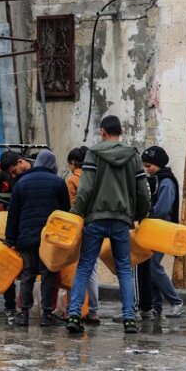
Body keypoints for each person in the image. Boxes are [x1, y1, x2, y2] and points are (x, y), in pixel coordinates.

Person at [66, 115, 150, 334]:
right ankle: (129, 319)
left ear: (102, 131)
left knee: (85, 266)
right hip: (122, 220)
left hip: (95, 219)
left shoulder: (94, 154)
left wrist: (77, 213)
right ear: (120, 131)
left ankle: (74, 314)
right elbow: (143, 191)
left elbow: (84, 190)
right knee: (124, 269)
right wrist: (141, 215)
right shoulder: (133, 156)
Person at [5, 150, 70, 327]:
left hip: (26, 238)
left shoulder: (21, 183)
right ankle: (46, 315)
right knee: (49, 275)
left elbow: (13, 214)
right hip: (50, 239)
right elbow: (66, 213)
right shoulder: (58, 182)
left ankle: (23, 314)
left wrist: (10, 239)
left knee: (27, 275)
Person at [141, 146, 186, 318]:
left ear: (158, 164)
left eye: (149, 165)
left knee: (153, 266)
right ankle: (155, 306)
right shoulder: (157, 179)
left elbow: (163, 209)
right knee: (149, 265)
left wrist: (147, 212)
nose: (147, 169)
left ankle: (176, 302)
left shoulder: (166, 182)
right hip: (155, 230)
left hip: (163, 230)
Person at [66, 146, 101, 324]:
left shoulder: (72, 180)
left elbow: (71, 206)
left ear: (73, 163)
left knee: (79, 269)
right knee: (92, 268)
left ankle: (75, 311)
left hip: (78, 227)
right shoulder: (97, 178)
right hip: (97, 225)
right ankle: (94, 311)